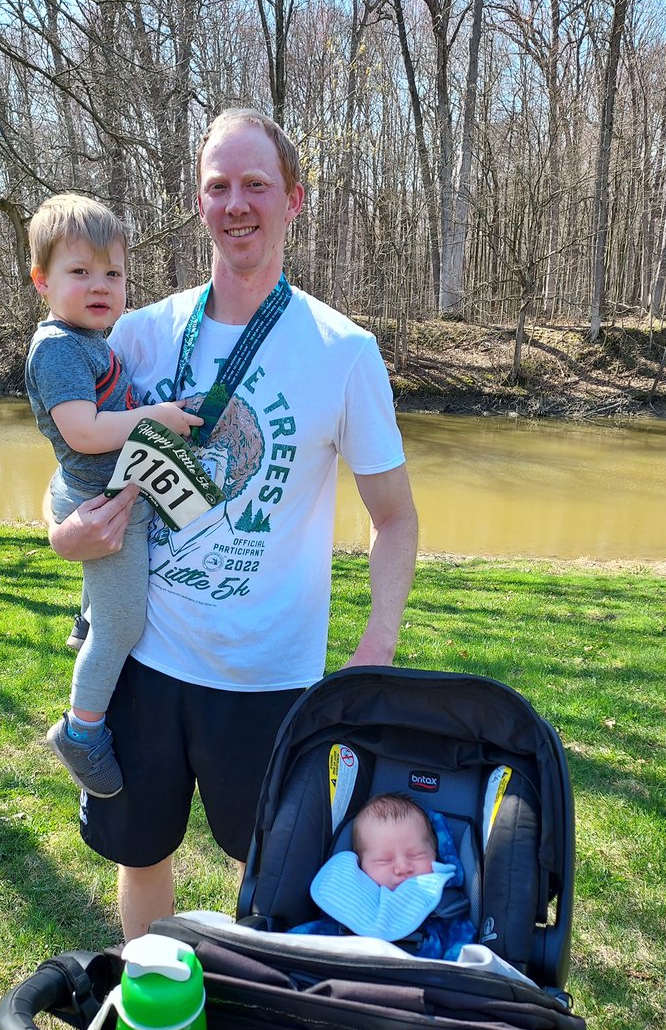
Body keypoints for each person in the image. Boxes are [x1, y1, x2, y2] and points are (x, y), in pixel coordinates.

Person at [45, 108, 418, 942]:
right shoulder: (138, 335)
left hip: (268, 678)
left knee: (270, 872)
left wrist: (375, 649)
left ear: (294, 199)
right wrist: (63, 537)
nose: (237, 203)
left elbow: (393, 519)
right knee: (140, 855)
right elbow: (68, 470)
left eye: (257, 184)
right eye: (219, 186)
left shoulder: (343, 351)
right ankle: (152, 1021)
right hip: (144, 660)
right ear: (200, 202)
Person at [26, 193, 202, 798]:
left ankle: (87, 612)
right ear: (42, 280)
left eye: (113, 273)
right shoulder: (57, 349)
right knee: (123, 626)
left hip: (96, 487)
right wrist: (153, 416)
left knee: (112, 606)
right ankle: (82, 730)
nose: (100, 285)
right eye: (80, 272)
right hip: (103, 510)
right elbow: (82, 430)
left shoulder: (87, 339)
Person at [294, 792, 475, 961]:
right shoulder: (348, 901)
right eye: (384, 860)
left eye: (416, 855)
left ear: (436, 853)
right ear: (360, 865)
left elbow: (464, 952)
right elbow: (302, 942)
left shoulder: (444, 907)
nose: (403, 867)